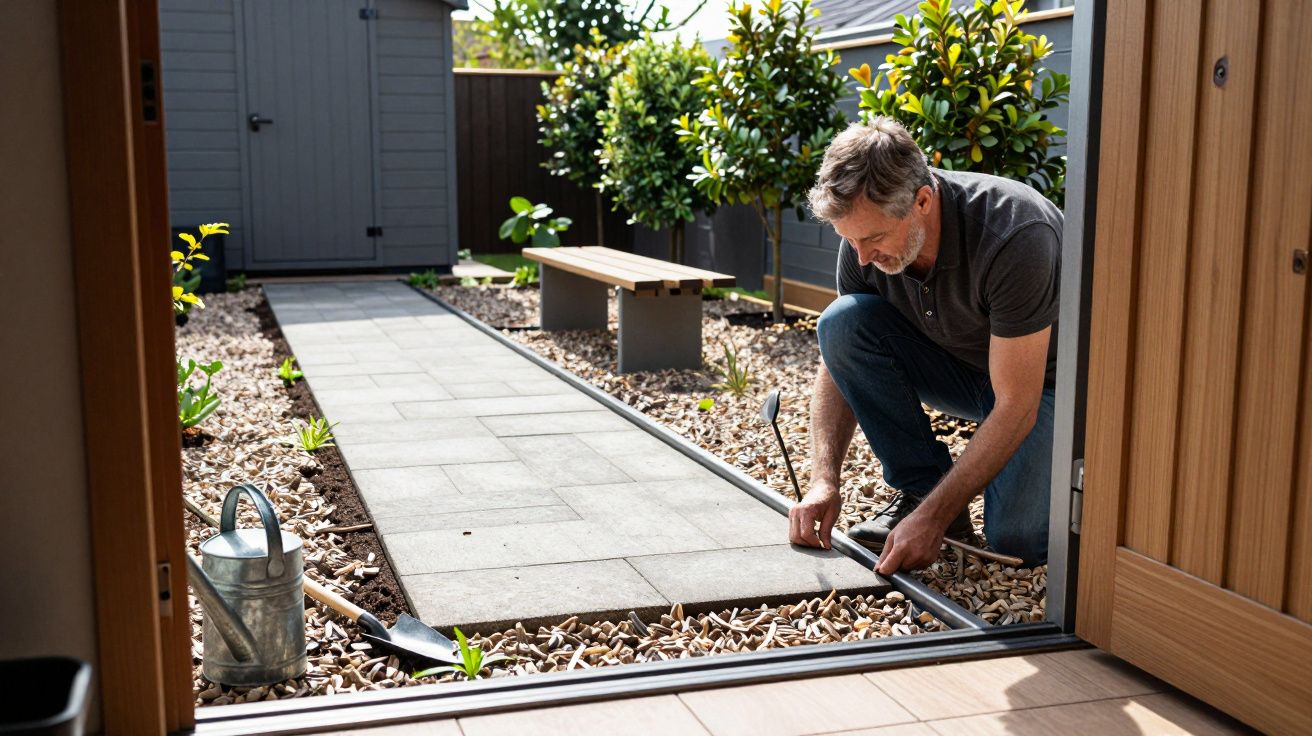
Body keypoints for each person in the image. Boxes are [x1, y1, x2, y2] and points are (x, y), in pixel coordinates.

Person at [787, 117, 1062, 575]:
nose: (861, 257)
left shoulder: (1015, 233)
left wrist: (927, 522)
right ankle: (923, 491)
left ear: (922, 200)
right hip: (963, 372)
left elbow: (1016, 403)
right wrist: (823, 479)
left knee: (1017, 543)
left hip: (1047, 387)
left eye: (872, 238)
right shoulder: (864, 237)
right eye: (849, 240)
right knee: (842, 321)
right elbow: (841, 358)